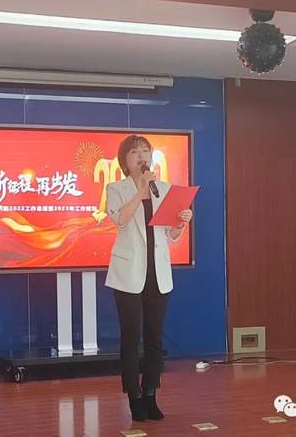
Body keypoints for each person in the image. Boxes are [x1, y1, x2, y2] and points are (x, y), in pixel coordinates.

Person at [105, 134, 193, 422]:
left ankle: (151, 392)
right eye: (135, 152)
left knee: (155, 337)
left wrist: (182, 222)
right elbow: (120, 219)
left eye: (145, 151)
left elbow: (171, 235)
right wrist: (140, 192)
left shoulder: (164, 189)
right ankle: (134, 397)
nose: (141, 156)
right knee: (131, 338)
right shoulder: (116, 188)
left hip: (158, 274)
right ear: (125, 161)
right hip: (128, 274)